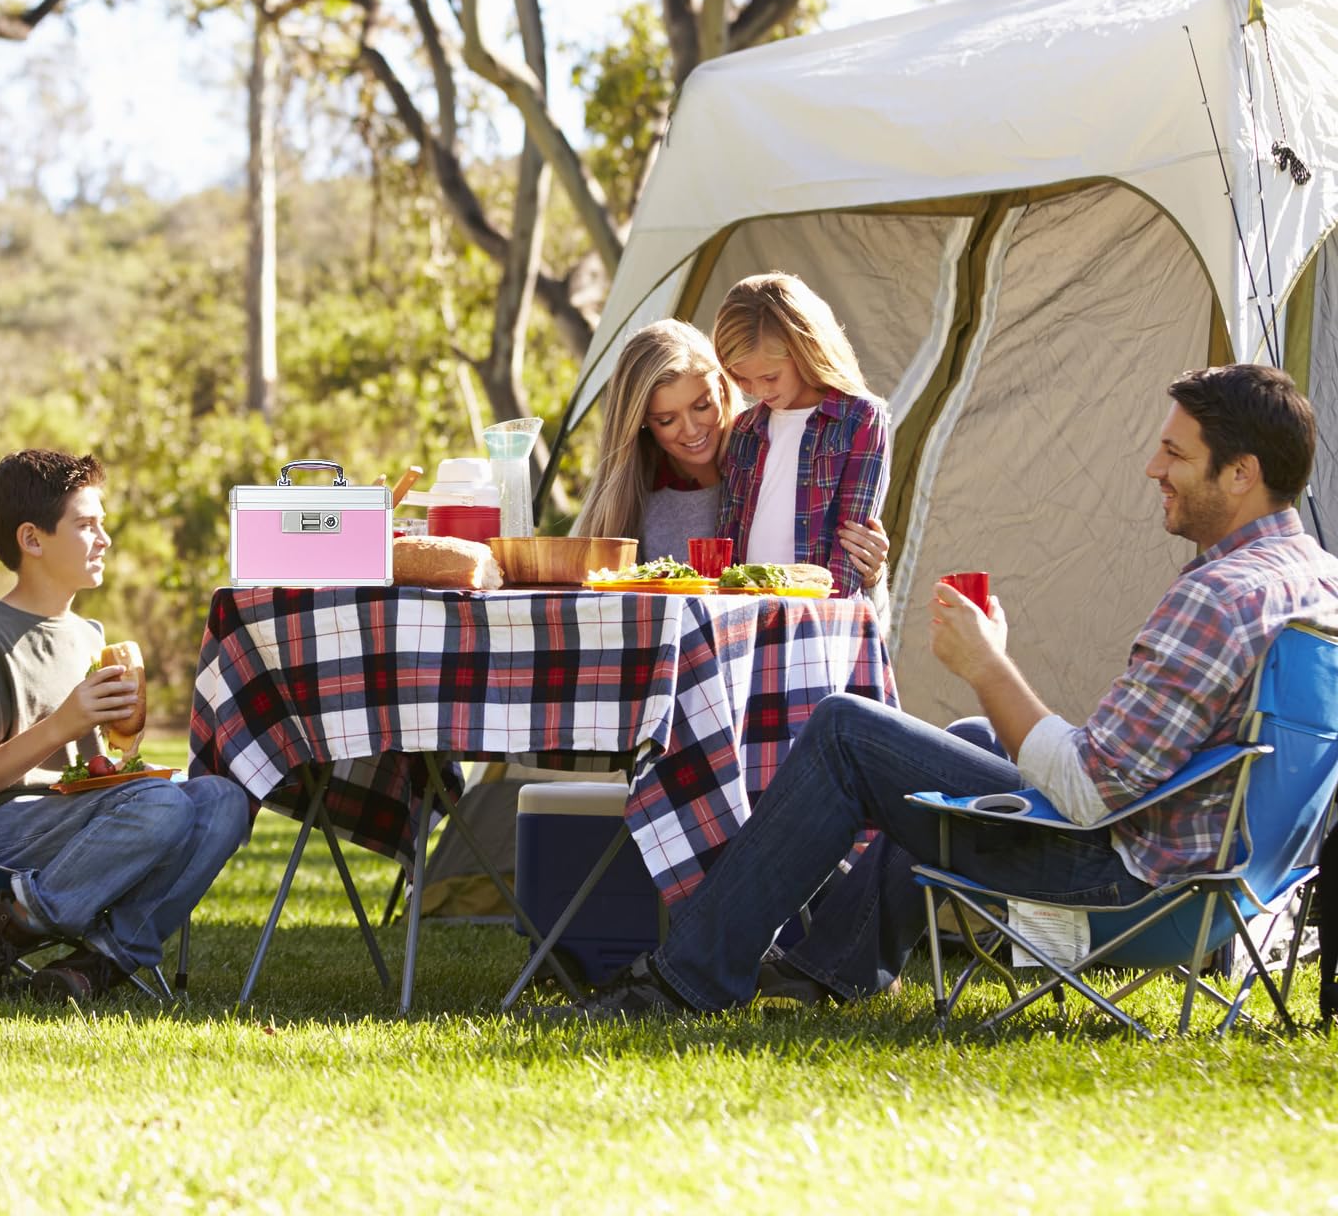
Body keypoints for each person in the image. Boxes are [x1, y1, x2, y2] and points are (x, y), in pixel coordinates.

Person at [552, 363, 1338, 1019]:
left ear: (1241, 474)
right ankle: (834, 964)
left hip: (1124, 884)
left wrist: (988, 662)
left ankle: (684, 981)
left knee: (845, 730)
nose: (1152, 469)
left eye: (1175, 453)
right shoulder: (1314, 584)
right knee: (965, 739)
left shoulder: (1219, 597)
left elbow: (1093, 795)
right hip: (1231, 883)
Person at [0, 449, 251, 1002]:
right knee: (163, 804)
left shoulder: (88, 636)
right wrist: (62, 723)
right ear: (33, 539)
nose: (105, 540)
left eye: (103, 525)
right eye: (86, 525)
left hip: (72, 819)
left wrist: (122, 747)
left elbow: (90, 772)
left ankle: (98, 964)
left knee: (224, 800)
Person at [712, 272, 890, 597]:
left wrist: (821, 619)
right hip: (744, 616)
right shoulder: (744, 429)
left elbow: (851, 542)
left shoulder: (860, 418)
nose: (758, 391)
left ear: (805, 349)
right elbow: (729, 533)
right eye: (742, 379)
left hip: (817, 621)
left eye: (770, 376)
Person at [572, 319, 741, 562]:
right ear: (641, 422)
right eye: (666, 421)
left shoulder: (761, 457)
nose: (692, 430)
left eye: (702, 406)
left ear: (722, 388)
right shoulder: (633, 496)